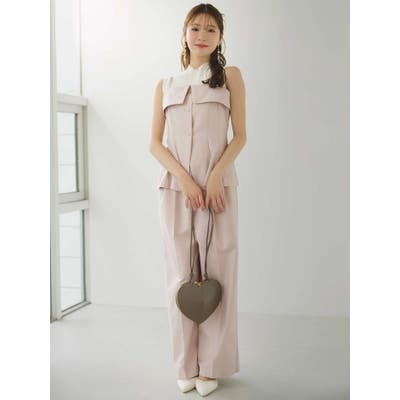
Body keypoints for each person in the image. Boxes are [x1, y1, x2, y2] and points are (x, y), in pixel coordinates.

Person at [149, 3, 247, 396]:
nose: (202, 35)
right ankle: (185, 365)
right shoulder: (165, 83)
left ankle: (212, 366)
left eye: (211, 29)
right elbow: (155, 144)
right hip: (177, 192)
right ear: (184, 33)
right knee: (180, 277)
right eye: (195, 28)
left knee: (220, 272)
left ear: (220, 37)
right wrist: (186, 181)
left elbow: (240, 135)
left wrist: (216, 176)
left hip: (218, 193)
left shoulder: (230, 77)